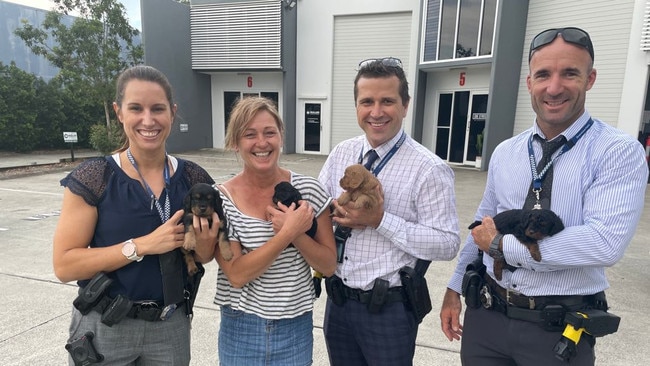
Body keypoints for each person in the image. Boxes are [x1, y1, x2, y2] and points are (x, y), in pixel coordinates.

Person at [440, 27, 648, 366]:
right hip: (487, 319)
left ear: (590, 78)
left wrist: (502, 246)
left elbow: (604, 242)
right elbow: (483, 222)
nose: (554, 88)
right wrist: (454, 288)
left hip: (556, 330)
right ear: (529, 83)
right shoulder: (507, 151)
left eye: (569, 73)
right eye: (543, 75)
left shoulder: (617, 152)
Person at [53, 65, 219, 365]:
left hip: (170, 326)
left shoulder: (194, 178)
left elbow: (204, 256)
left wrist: (205, 244)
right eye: (135, 108)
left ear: (172, 112)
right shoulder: (95, 177)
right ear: (119, 112)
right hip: (106, 326)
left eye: (158, 108)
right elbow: (65, 266)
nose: (148, 120)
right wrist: (141, 246)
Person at [318, 57, 461, 365]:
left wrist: (380, 220)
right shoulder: (341, 152)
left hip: (388, 309)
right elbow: (319, 209)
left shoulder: (429, 168)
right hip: (339, 302)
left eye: (388, 101)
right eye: (367, 101)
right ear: (356, 106)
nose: (376, 112)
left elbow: (448, 243)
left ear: (405, 105)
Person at [212, 96, 337, 366]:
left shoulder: (311, 191)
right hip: (240, 328)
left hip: (295, 327)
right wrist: (286, 234)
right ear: (235, 142)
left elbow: (328, 265)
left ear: (281, 136)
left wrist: (298, 234)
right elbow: (236, 274)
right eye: (249, 135)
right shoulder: (221, 199)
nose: (262, 143)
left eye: (270, 132)